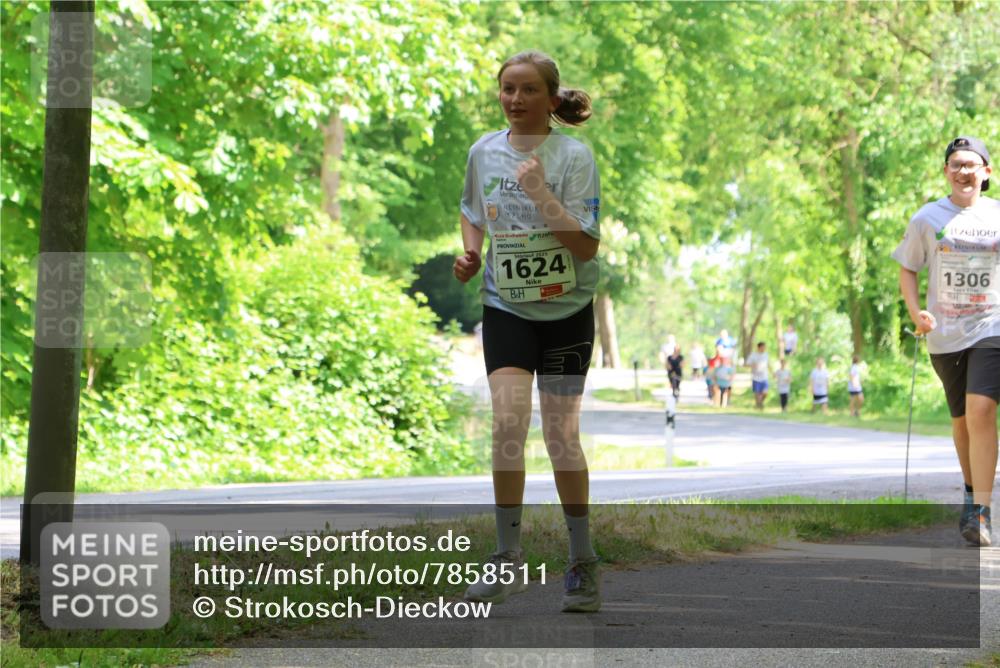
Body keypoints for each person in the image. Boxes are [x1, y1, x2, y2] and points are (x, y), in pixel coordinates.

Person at [453, 50, 603, 608]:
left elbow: (585, 246)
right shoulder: (483, 152)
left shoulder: (574, 156)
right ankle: (507, 557)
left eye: (527, 90)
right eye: (507, 89)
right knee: (508, 424)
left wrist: (541, 193)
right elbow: (472, 211)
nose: (515, 100)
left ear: (550, 97)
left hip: (566, 312)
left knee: (561, 438)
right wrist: (470, 255)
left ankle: (583, 561)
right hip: (507, 307)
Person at [892, 135, 999, 547]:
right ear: (946, 172)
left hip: (992, 326)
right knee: (961, 422)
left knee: (982, 410)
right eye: (955, 164)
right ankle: (972, 496)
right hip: (945, 334)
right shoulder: (927, 218)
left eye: (971, 164)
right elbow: (908, 268)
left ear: (986, 172)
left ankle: (983, 512)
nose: (963, 171)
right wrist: (916, 312)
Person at [747, 341, 770, 410]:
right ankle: (758, 406)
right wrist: (753, 365)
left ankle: (760, 403)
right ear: (759, 347)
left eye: (765, 347)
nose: (764, 349)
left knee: (765, 393)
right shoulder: (753, 355)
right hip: (756, 377)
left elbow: (768, 364)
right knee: (757, 393)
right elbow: (747, 364)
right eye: (763, 347)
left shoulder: (766, 355)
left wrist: (773, 372)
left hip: (764, 376)